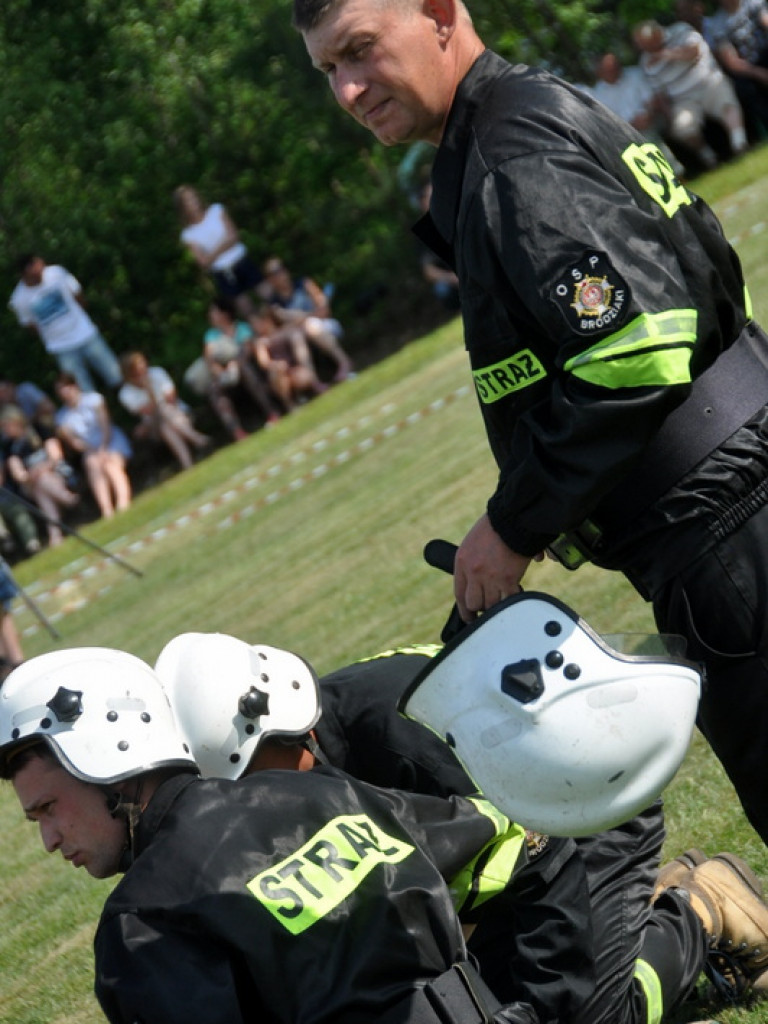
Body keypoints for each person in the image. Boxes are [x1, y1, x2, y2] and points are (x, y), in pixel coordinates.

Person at [293, 0, 768, 850]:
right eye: (329, 70)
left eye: (360, 51)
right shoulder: (518, 117)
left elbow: (637, 349)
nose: (351, 89)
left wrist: (514, 523)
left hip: (728, 522)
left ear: (439, 13)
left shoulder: (514, 153)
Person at [152, 626, 768, 1018]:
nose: (255, 805)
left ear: (284, 729)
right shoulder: (318, 754)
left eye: (254, 781)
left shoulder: (398, 739)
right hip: (515, 860)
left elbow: (541, 863)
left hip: (584, 820)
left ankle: (697, 911)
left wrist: (548, 1003)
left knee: (586, 1017)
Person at [0, 646, 552, 1024]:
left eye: (48, 808)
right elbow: (512, 835)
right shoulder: (320, 792)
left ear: (104, 760)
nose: (49, 838)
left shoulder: (143, 921)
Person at [632, 19, 747, 168]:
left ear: (657, 35)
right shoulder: (645, 60)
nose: (646, 50)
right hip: (683, 100)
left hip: (708, 82)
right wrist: (669, 116)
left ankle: (740, 144)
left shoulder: (680, 30)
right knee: (682, 129)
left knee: (726, 102)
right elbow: (660, 93)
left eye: (648, 45)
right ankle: (709, 157)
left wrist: (665, 54)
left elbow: (693, 52)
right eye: (643, 46)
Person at [8, 255, 123, 393]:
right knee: (83, 391)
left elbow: (77, 294)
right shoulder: (19, 299)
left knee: (116, 375)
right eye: (35, 273)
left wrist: (79, 319)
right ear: (24, 274)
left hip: (86, 334)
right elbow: (29, 324)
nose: (40, 275)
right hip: (61, 347)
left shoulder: (57, 273)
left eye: (41, 270)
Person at [184, 296, 282, 440]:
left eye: (214, 312)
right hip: (223, 375)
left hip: (244, 370)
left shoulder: (241, 328)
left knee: (246, 370)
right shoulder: (211, 335)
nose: (211, 316)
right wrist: (219, 371)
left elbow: (247, 351)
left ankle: (272, 412)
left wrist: (234, 364)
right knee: (214, 390)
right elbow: (209, 356)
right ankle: (236, 431)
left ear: (224, 314)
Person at [585, 53, 685, 176]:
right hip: (625, 130)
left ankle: (676, 174)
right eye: (609, 70)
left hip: (653, 118)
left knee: (646, 135)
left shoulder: (634, 75)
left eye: (616, 66)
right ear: (599, 73)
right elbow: (608, 123)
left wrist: (648, 115)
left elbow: (653, 100)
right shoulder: (597, 95)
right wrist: (631, 126)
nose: (615, 70)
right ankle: (662, 179)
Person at [173, 185, 264, 320]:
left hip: (241, 260)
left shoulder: (216, 210)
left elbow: (234, 236)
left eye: (193, 197)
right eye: (187, 200)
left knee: (267, 293)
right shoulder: (188, 234)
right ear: (182, 207)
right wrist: (224, 245)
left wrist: (212, 254)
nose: (193, 202)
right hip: (223, 272)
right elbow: (202, 262)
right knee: (247, 310)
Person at [260, 255, 355, 382]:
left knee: (310, 325)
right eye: (273, 274)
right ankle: (315, 383)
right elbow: (273, 334)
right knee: (297, 336)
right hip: (299, 338)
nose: (279, 276)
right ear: (270, 280)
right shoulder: (273, 304)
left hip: (325, 327)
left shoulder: (304, 284)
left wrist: (300, 318)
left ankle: (345, 363)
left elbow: (324, 310)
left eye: (280, 270)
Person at [54, 373, 132, 519]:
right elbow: (75, 443)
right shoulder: (61, 417)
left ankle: (123, 502)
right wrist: (93, 450)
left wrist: (102, 448)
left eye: (66, 387)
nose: (64, 392)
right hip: (90, 449)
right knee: (92, 464)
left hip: (111, 441)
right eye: (60, 390)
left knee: (110, 465)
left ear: (74, 386)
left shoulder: (94, 400)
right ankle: (106, 509)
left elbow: (106, 426)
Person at [0, 405, 79, 547]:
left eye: (6, 426)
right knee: (40, 482)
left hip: (56, 473)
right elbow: (18, 475)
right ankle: (69, 499)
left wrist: (41, 469)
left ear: (16, 421)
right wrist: (32, 475)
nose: (4, 430)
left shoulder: (38, 430)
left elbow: (56, 456)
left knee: (42, 485)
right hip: (32, 484)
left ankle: (55, 533)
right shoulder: (10, 447)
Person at [118, 352, 210, 471]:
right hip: (153, 425)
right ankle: (198, 439)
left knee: (165, 426)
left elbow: (171, 399)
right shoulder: (125, 393)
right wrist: (149, 390)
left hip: (178, 414)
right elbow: (149, 411)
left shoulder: (158, 373)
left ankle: (187, 463)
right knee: (162, 412)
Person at [249, 305, 328, 411]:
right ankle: (290, 404)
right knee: (276, 373)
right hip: (278, 375)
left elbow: (301, 318)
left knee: (303, 367)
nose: (255, 327)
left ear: (266, 320)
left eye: (256, 323)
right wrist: (276, 364)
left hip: (294, 370)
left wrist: (282, 313)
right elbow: (264, 362)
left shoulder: (285, 331)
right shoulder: (261, 342)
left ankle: (314, 385)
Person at [709, 0, 768, 139]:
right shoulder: (717, 24)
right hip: (747, 67)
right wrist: (759, 73)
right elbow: (730, 61)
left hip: (765, 53)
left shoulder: (754, 4)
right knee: (744, 88)